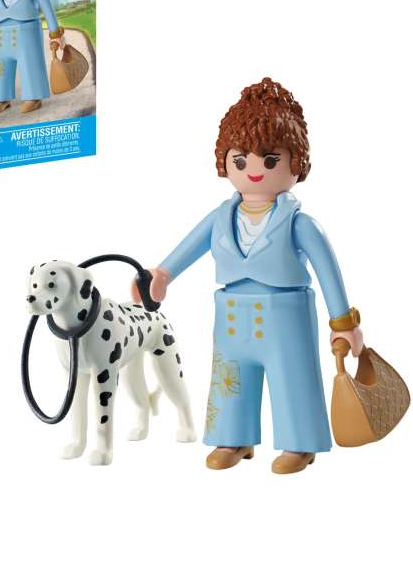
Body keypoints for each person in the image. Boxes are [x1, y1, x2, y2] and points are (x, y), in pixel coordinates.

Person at [132, 78, 364, 474]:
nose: (254, 171)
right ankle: (233, 437)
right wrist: (162, 275)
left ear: (296, 162)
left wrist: (343, 323)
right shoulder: (220, 217)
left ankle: (299, 443)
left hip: (285, 315)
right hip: (232, 315)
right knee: (228, 379)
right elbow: (187, 249)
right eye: (240, 160)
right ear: (225, 162)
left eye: (270, 160)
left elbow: (328, 270)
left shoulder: (299, 223)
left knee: (294, 380)